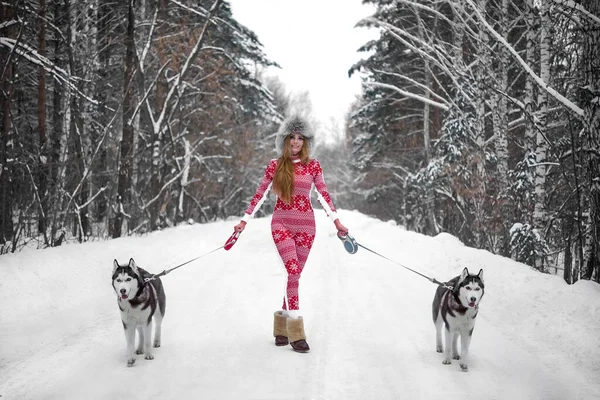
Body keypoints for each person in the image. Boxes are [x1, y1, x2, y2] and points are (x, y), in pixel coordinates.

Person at [233, 115, 349, 353]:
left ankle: (280, 328)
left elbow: (323, 195)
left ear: (306, 141)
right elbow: (260, 194)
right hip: (281, 224)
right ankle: (296, 334)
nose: (296, 142)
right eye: (291, 137)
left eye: (300, 138)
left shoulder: (313, 165)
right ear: (284, 140)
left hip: (307, 227)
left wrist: (337, 221)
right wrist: (244, 221)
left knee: (293, 277)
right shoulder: (275, 165)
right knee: (293, 271)